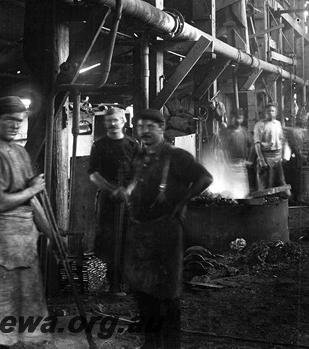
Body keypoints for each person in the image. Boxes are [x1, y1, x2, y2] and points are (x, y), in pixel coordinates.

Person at [0, 96, 54, 348]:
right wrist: (31, 190)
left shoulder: (19, 152)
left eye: (20, 120)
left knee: (24, 311)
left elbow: (32, 200)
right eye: (10, 120)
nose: (16, 125)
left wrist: (51, 234)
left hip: (24, 243)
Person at [124, 109, 213, 349]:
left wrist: (183, 202)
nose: (144, 132)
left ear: (161, 128)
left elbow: (205, 178)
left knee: (167, 293)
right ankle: (150, 343)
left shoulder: (177, 156)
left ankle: (171, 345)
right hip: (140, 233)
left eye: (150, 127)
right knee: (142, 291)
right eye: (140, 127)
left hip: (165, 231)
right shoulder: (140, 158)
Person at [88, 106, 139, 295]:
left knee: (129, 237)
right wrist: (112, 189)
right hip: (108, 200)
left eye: (115, 120)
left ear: (123, 121)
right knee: (108, 239)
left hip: (129, 200)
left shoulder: (133, 145)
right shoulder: (99, 146)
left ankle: (128, 281)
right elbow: (93, 174)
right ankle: (112, 282)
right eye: (108, 120)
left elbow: (139, 172)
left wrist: (128, 190)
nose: (111, 123)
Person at [253, 102, 287, 190]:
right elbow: (257, 143)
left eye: (272, 111)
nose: (270, 113)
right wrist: (261, 159)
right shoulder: (260, 125)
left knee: (280, 182)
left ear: (276, 113)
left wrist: (282, 155)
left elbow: (281, 140)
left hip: (277, 156)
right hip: (266, 156)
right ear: (265, 113)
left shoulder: (278, 124)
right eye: (268, 111)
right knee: (265, 185)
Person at [222, 109, 257, 193]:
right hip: (229, 165)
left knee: (242, 190)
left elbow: (252, 146)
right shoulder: (226, 132)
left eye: (240, 118)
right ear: (231, 118)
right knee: (229, 190)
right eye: (235, 118)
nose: (237, 120)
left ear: (242, 118)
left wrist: (250, 160)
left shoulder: (245, 132)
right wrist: (226, 163)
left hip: (241, 165)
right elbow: (223, 150)